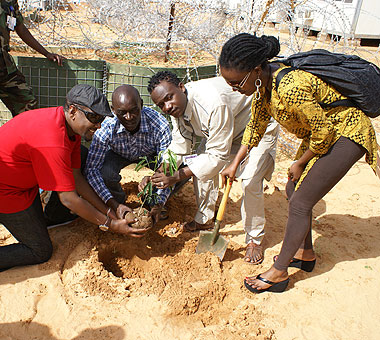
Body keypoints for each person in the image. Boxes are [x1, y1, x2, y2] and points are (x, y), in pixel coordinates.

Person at [219, 33, 378, 293]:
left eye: (237, 83)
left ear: (256, 70)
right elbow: (256, 126)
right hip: (324, 134)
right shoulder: (263, 86)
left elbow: (324, 132)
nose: (235, 89)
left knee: (301, 202)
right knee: (294, 190)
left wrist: (300, 163)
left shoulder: (290, 85)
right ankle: (305, 254)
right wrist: (235, 163)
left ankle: (279, 272)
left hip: (347, 132)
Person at [0, 84, 147, 302]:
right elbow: (68, 198)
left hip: (21, 179)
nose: (98, 125)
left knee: (83, 159)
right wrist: (109, 223)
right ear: (73, 110)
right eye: (93, 117)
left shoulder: (72, 129)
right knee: (39, 250)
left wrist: (111, 208)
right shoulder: (52, 140)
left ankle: (48, 217)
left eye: (101, 119)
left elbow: (76, 178)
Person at [146, 71, 279, 264]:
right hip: (224, 130)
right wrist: (161, 172)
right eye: (161, 105)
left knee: (250, 180)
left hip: (257, 125)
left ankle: (254, 239)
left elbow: (218, 156)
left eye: (169, 98)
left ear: (181, 87)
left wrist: (176, 177)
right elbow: (180, 144)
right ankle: (204, 219)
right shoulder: (177, 108)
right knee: (200, 165)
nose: (167, 106)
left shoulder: (211, 103)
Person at [0, 0, 65, 150]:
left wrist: (46, 53)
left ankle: (22, 153)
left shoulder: (8, 1)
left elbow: (20, 28)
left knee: (28, 106)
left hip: (5, 69)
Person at [85, 84, 172, 223]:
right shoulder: (106, 127)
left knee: (178, 170)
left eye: (134, 110)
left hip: (150, 156)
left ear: (141, 105)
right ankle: (120, 204)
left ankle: (153, 202)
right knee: (104, 173)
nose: (129, 117)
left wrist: (159, 201)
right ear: (113, 111)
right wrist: (113, 203)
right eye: (122, 113)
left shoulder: (159, 124)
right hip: (118, 154)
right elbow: (92, 170)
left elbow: (168, 165)